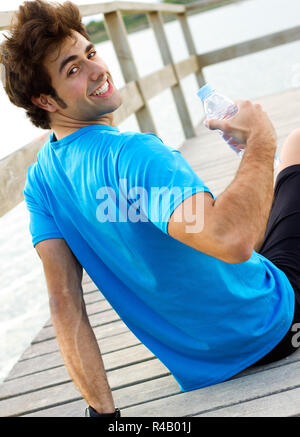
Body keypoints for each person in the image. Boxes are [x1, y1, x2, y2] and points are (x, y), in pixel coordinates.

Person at [1, 0, 300, 418]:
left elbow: (63, 301)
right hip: (271, 324)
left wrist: (103, 416)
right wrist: (260, 138)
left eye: (91, 53)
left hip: (200, 363)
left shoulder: (42, 180)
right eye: (72, 70)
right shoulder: (136, 156)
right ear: (44, 101)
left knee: (273, 189)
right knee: (294, 144)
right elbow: (231, 241)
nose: (96, 70)